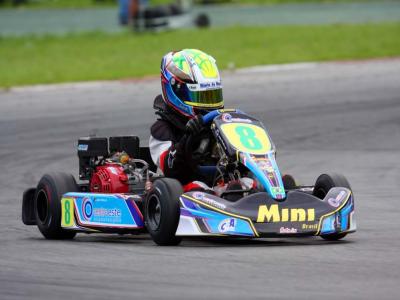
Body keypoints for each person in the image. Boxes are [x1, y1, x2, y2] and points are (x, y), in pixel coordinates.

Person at [149, 49, 255, 194]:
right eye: (201, 97)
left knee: (250, 183)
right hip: (181, 192)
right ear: (176, 90)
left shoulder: (218, 124)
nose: (208, 105)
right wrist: (188, 137)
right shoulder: (161, 130)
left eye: (212, 96)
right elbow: (171, 168)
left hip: (221, 182)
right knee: (199, 188)